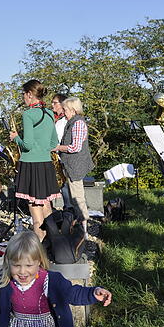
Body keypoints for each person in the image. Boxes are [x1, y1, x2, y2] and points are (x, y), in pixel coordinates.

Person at [10, 80, 61, 240]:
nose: (23, 98)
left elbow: (27, 144)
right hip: (46, 165)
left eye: (23, 94)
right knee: (47, 210)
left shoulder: (28, 114)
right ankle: (53, 247)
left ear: (30, 94)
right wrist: (42, 150)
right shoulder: (50, 114)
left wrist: (16, 137)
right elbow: (54, 143)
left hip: (31, 166)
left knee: (36, 216)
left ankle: (40, 256)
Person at [53, 97, 94, 233]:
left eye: (65, 110)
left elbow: (75, 147)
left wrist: (57, 147)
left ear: (73, 110)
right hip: (71, 165)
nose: (63, 112)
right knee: (74, 197)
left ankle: (83, 230)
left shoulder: (78, 123)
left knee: (77, 198)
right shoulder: (72, 122)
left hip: (76, 166)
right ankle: (79, 226)